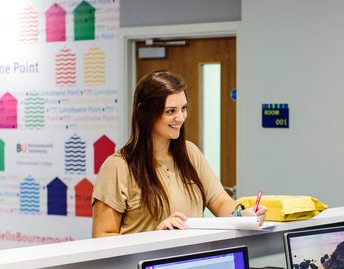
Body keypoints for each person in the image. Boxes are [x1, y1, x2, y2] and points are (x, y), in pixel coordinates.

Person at [92, 70, 266, 237]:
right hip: (146, 266)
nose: (181, 117)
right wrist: (155, 236)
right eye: (170, 111)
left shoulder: (190, 153)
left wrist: (242, 215)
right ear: (145, 113)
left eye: (183, 108)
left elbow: (220, 202)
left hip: (191, 263)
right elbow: (102, 235)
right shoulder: (118, 167)